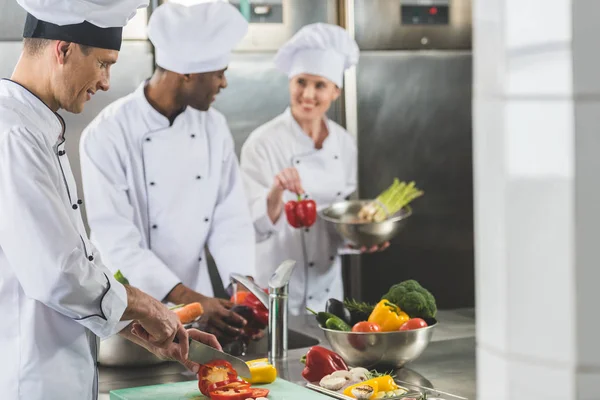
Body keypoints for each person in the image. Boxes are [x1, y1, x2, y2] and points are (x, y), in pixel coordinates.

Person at [0, 1, 221, 399]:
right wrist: (144, 305)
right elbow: (59, 275)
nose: (105, 82)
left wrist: (131, 325)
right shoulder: (13, 134)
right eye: (104, 63)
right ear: (63, 49)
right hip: (29, 382)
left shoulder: (36, 128)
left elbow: (73, 263)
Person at [79, 1, 258, 342]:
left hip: (204, 315)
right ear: (187, 73)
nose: (223, 83)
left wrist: (244, 290)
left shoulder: (213, 127)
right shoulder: (107, 133)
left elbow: (229, 216)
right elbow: (116, 238)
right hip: (134, 314)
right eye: (218, 72)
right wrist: (190, 299)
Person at [240, 23, 388, 316]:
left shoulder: (343, 143)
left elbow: (339, 218)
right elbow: (250, 227)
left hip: (328, 292)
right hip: (275, 290)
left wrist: (357, 240)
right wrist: (275, 192)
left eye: (319, 85)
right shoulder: (262, 143)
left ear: (335, 91)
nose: (308, 94)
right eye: (301, 82)